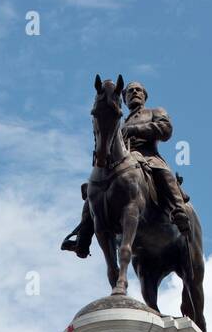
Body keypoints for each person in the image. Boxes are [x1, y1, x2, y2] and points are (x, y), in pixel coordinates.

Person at [61, 79, 190, 258]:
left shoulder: (155, 111)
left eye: (138, 90)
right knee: (94, 189)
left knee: (163, 172)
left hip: (147, 157)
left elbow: (165, 129)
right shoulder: (120, 122)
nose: (134, 93)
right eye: (130, 91)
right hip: (121, 162)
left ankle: (178, 210)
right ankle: (83, 237)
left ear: (144, 95)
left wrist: (136, 130)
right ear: (124, 98)